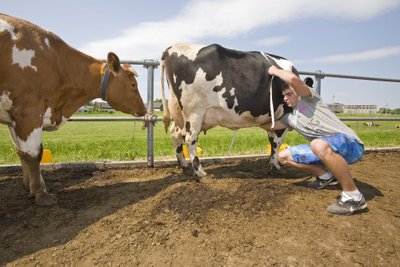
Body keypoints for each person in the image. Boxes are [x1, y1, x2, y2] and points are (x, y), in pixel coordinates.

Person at [267, 65, 367, 215]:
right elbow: (270, 125)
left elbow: (293, 79)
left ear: (298, 93)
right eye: (284, 96)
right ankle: (326, 176)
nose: (285, 98)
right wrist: (239, 121)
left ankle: (353, 196)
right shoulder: (290, 118)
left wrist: (274, 71)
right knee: (283, 157)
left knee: (317, 144)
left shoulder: (309, 99)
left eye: (289, 94)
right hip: (324, 149)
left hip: (351, 145)